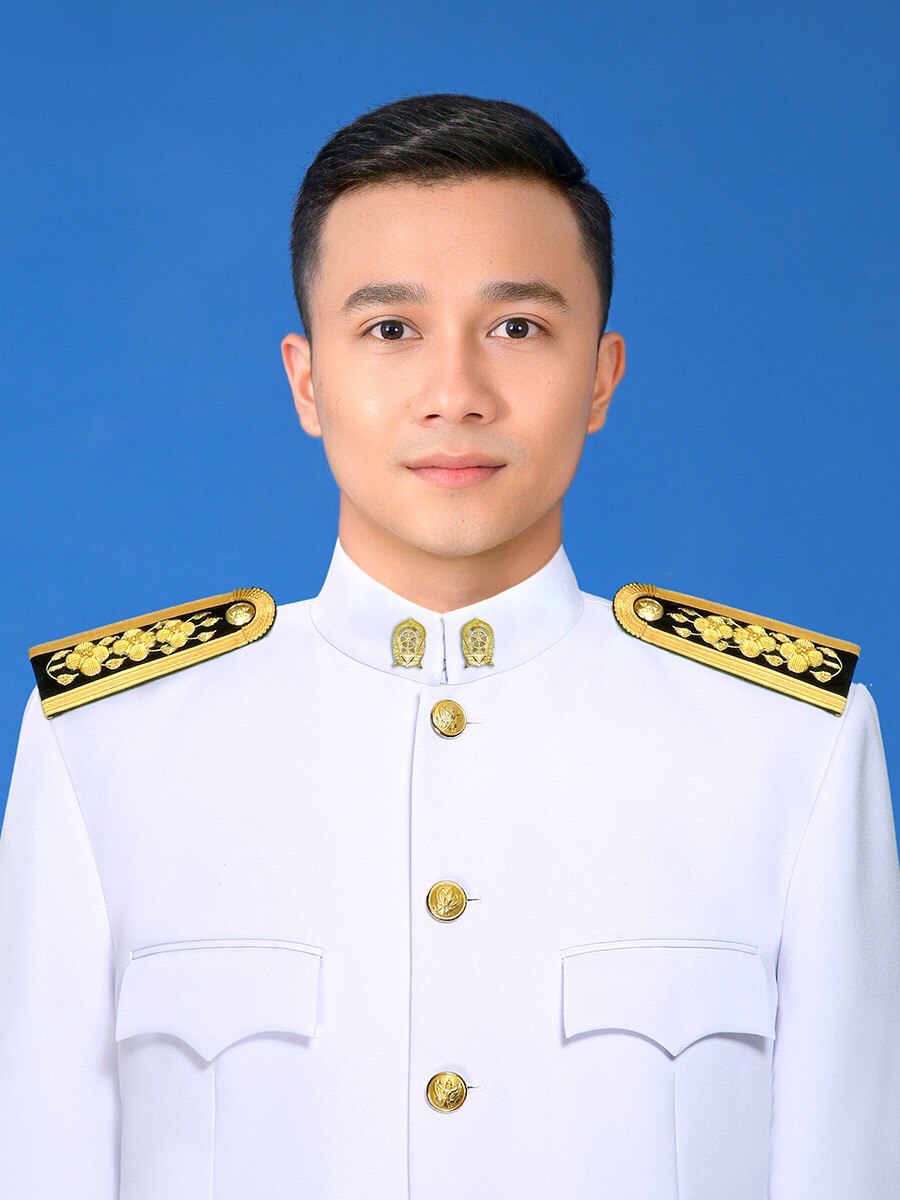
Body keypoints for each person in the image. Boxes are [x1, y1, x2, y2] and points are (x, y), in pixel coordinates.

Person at [1, 92, 897, 1200]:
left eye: (517, 327)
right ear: (307, 380)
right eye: (391, 329)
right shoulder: (104, 749)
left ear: (602, 376)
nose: (456, 395)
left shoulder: (790, 748)